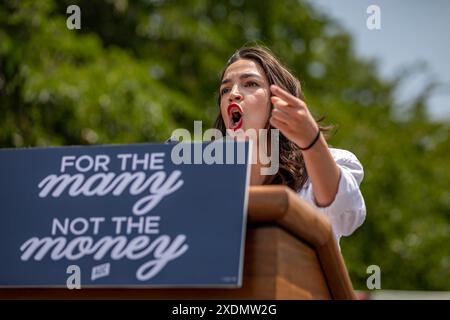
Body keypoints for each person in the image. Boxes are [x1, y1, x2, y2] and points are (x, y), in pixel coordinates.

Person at [213, 46, 366, 244]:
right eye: (225, 89)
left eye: (250, 83)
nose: (233, 94)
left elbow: (343, 210)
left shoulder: (328, 164)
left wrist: (311, 141)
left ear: (278, 100)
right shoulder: (210, 181)